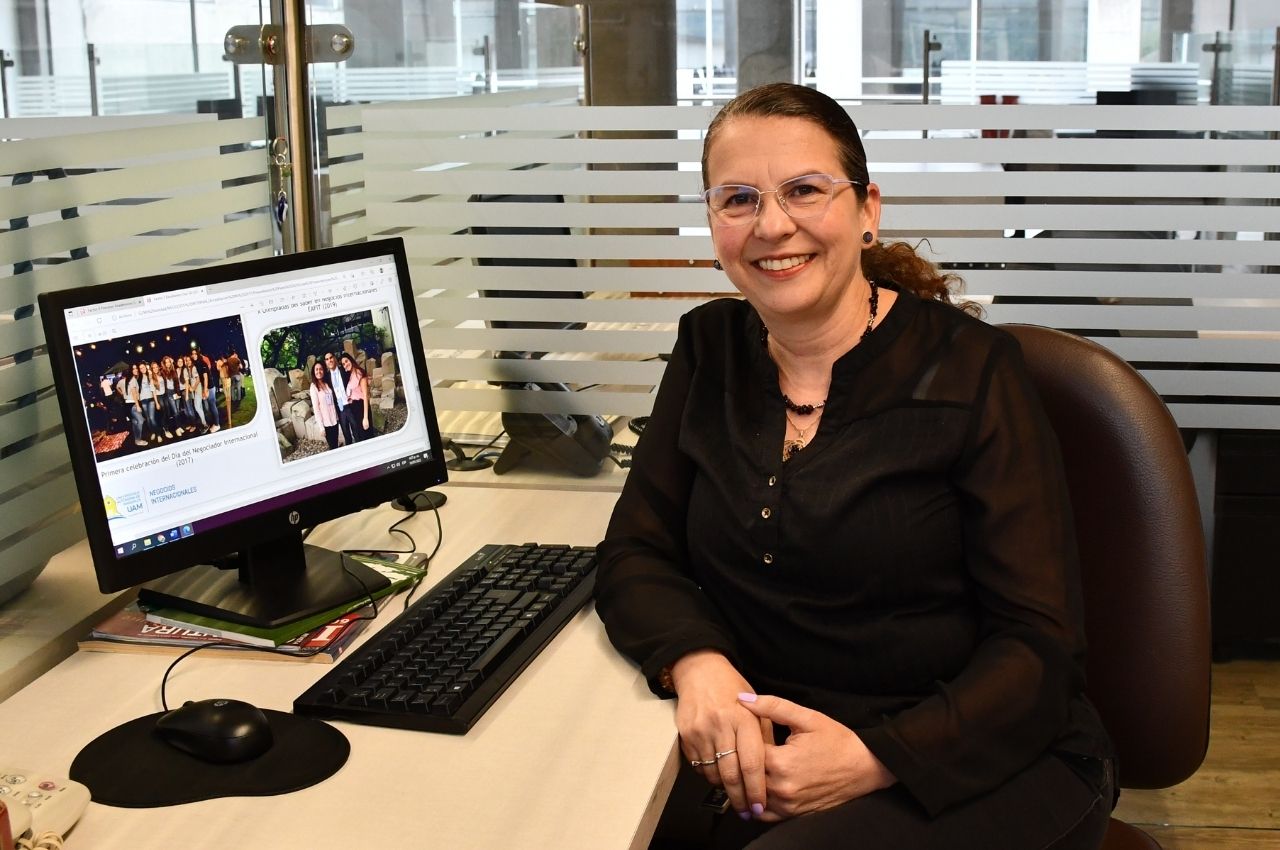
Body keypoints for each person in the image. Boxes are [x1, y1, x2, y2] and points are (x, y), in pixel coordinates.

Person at [593, 83, 1114, 850]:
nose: (772, 225)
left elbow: (1040, 647)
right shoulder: (708, 347)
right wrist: (698, 663)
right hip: (772, 757)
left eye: (804, 189)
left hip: (976, 761)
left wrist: (874, 758)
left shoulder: (974, 374)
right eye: (737, 199)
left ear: (867, 210)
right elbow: (637, 550)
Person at [339, 352, 373, 441]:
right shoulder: (350, 377)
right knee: (360, 436)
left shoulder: (360, 373)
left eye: (346, 361)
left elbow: (365, 396)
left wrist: (365, 418)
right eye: (343, 364)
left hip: (361, 408)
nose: (345, 364)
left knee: (366, 436)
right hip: (354, 409)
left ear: (351, 360)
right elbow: (353, 392)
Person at [308, 360, 341, 450]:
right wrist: (321, 427)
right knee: (332, 446)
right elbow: (316, 408)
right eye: (316, 369)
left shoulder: (327, 383)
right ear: (314, 372)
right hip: (326, 423)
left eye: (321, 369)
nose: (319, 371)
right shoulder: (313, 386)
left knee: (336, 443)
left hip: (334, 419)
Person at [325, 351, 355, 446]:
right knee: (346, 434)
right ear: (325, 362)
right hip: (340, 408)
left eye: (331, 358)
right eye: (327, 359)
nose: (329, 360)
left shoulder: (344, 370)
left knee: (356, 429)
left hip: (350, 405)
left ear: (334, 358)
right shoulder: (326, 377)